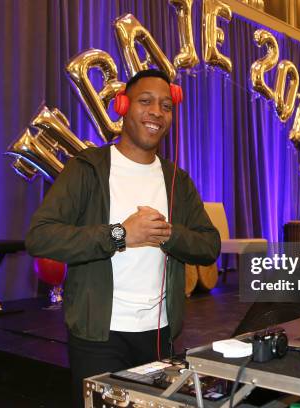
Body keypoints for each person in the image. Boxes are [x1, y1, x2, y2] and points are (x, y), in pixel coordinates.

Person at [25, 69, 221, 406]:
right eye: (145, 101)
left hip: (161, 335)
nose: (157, 112)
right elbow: (41, 238)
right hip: (99, 337)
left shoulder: (178, 180)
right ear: (122, 106)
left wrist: (167, 234)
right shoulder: (86, 168)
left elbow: (209, 245)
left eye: (165, 106)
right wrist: (119, 235)